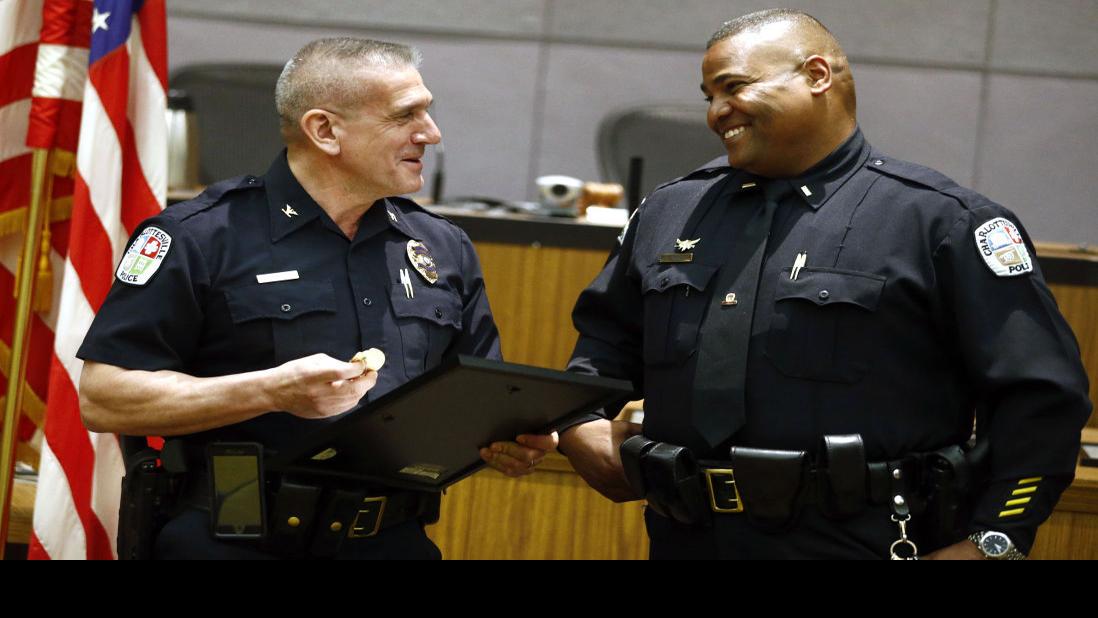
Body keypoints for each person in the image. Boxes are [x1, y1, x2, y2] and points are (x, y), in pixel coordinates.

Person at [558, 9, 1091, 559]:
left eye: (734, 87)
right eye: (709, 96)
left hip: (866, 540)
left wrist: (994, 543)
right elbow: (601, 348)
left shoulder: (941, 223)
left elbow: (1040, 399)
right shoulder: (670, 213)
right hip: (685, 539)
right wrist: (579, 425)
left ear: (816, 76)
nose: (716, 112)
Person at [78, 37, 556, 559]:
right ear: (324, 130)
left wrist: (513, 437)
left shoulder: (441, 247)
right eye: (405, 115)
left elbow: (480, 393)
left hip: (390, 540)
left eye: (427, 112)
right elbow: (104, 397)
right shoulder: (200, 236)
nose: (431, 133)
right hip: (234, 539)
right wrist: (270, 391)